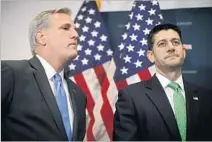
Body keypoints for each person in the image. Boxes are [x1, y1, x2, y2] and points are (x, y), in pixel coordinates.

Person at [113, 23, 212, 141]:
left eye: (175, 42)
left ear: (184, 52)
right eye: (162, 44)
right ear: (151, 56)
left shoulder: (206, 96)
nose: (171, 48)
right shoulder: (131, 97)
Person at [1, 8, 87, 141]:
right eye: (65, 28)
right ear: (41, 37)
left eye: (75, 29)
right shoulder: (10, 73)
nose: (75, 34)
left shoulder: (78, 94)